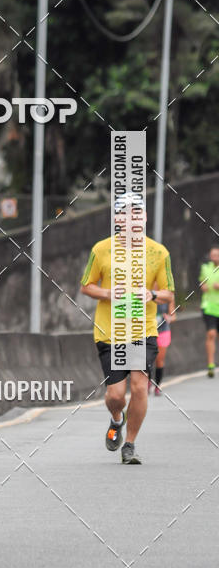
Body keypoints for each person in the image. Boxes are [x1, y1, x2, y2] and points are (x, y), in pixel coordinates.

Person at [80, 193, 175, 464]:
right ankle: (116, 419)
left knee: (140, 386)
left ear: (144, 218)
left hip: (143, 331)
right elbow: (86, 286)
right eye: (125, 213)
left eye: (136, 213)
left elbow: (169, 293)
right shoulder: (101, 249)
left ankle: (130, 444)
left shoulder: (159, 252)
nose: (131, 218)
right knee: (116, 396)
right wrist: (109, 293)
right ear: (117, 219)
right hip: (109, 332)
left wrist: (152, 295)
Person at [199, 245, 219, 378]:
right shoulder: (205, 268)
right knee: (211, 334)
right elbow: (201, 281)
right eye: (212, 255)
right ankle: (211, 364)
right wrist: (203, 285)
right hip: (209, 306)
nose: (214, 258)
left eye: (216, 255)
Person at [150, 298, 174, 396]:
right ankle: (147, 381)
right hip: (148, 331)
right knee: (148, 358)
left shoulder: (168, 295)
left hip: (163, 330)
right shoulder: (145, 292)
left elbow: (174, 316)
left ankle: (157, 385)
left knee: (159, 359)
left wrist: (169, 318)